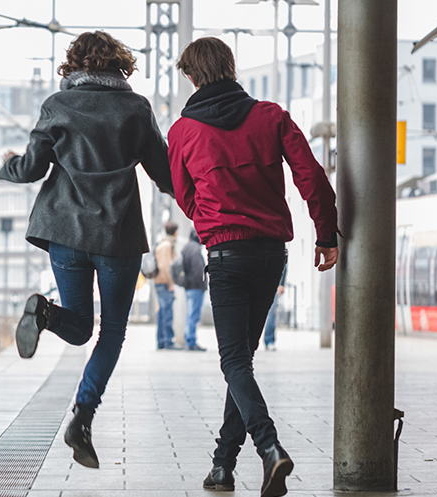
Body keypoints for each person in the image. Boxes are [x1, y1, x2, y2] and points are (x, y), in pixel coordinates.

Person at [167, 37, 339, 497]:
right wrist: (325, 235)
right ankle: (222, 466)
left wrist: (214, 215)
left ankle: (270, 448)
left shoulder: (183, 132)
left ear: (191, 76)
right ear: (231, 66)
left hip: (225, 256)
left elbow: (185, 199)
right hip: (269, 257)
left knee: (234, 362)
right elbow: (313, 178)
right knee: (240, 362)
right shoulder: (270, 116)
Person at [0, 31, 174, 470]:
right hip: (117, 236)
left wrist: (8, 164)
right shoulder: (136, 108)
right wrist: (202, 194)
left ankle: (45, 313)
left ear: (73, 65)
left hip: (65, 232)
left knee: (77, 328)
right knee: (110, 331)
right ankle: (82, 417)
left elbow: (32, 167)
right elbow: (163, 173)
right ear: (120, 65)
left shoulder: (59, 106)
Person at [154, 222, 181, 350]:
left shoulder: (163, 243)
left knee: (162, 312)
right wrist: (171, 284)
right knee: (167, 312)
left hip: (160, 282)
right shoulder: (167, 245)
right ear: (175, 232)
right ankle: (168, 341)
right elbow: (165, 267)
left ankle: (162, 341)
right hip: (164, 283)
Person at [180, 230, 208, 351]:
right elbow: (198, 270)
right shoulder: (195, 249)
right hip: (196, 287)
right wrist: (202, 284)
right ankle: (191, 341)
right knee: (194, 315)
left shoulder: (186, 247)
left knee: (191, 313)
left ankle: (189, 339)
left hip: (188, 286)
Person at [262, 263, 288, 351]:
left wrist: (281, 283)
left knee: (272, 313)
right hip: (257, 279)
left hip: (273, 283)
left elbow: (284, 264)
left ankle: (269, 340)